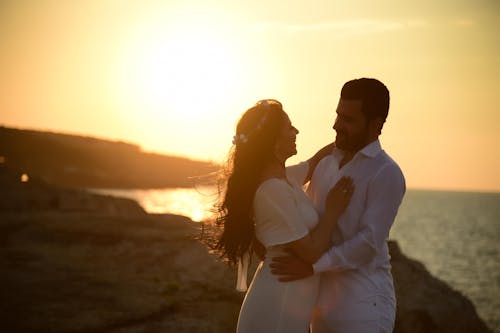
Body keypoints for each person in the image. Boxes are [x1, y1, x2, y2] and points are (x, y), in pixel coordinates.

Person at [271, 78, 406, 332]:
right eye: (337, 115)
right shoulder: (326, 164)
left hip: (364, 310)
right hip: (319, 310)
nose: (336, 125)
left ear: (375, 125)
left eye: (348, 120)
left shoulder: (386, 173)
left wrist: (311, 266)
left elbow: (368, 243)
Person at [213, 99, 355, 333]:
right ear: (272, 141)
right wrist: (332, 211)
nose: (296, 131)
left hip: (287, 300)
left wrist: (354, 140)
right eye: (289, 127)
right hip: (277, 305)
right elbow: (310, 252)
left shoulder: (284, 179)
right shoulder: (272, 190)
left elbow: (315, 161)